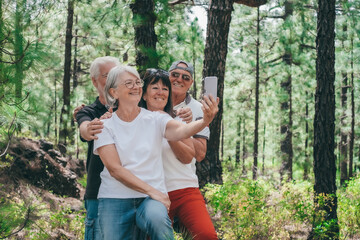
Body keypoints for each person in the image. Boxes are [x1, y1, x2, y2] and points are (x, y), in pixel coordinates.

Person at [93, 65, 218, 240]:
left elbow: (185, 141)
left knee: (193, 232)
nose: (160, 92)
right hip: (131, 194)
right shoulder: (106, 124)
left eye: (137, 82)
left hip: (165, 194)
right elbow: (114, 168)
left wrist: (205, 120)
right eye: (129, 83)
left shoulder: (162, 118)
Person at [166, 60, 218, 239]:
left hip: (185, 185)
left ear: (191, 83)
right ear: (167, 76)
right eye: (175, 74)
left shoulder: (198, 109)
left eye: (185, 77)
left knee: (206, 236)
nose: (179, 79)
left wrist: (187, 126)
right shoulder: (150, 101)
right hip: (153, 186)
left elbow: (200, 154)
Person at [74, 56, 120, 240]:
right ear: (94, 81)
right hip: (98, 192)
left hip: (129, 192)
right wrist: (92, 127)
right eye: (106, 76)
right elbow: (85, 129)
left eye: (116, 75)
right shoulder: (89, 111)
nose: (112, 81)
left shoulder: (132, 109)